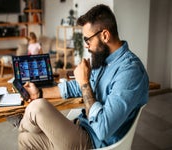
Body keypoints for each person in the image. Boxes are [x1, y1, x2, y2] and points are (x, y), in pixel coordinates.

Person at [18, 4, 149, 149]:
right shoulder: (103, 60)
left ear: (105, 35)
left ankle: (23, 123)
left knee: (37, 107)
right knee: (25, 138)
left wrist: (84, 82)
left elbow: (102, 129)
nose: (86, 46)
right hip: (80, 127)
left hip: (93, 142)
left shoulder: (130, 72)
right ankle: (27, 124)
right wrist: (40, 92)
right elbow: (76, 87)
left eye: (88, 40)